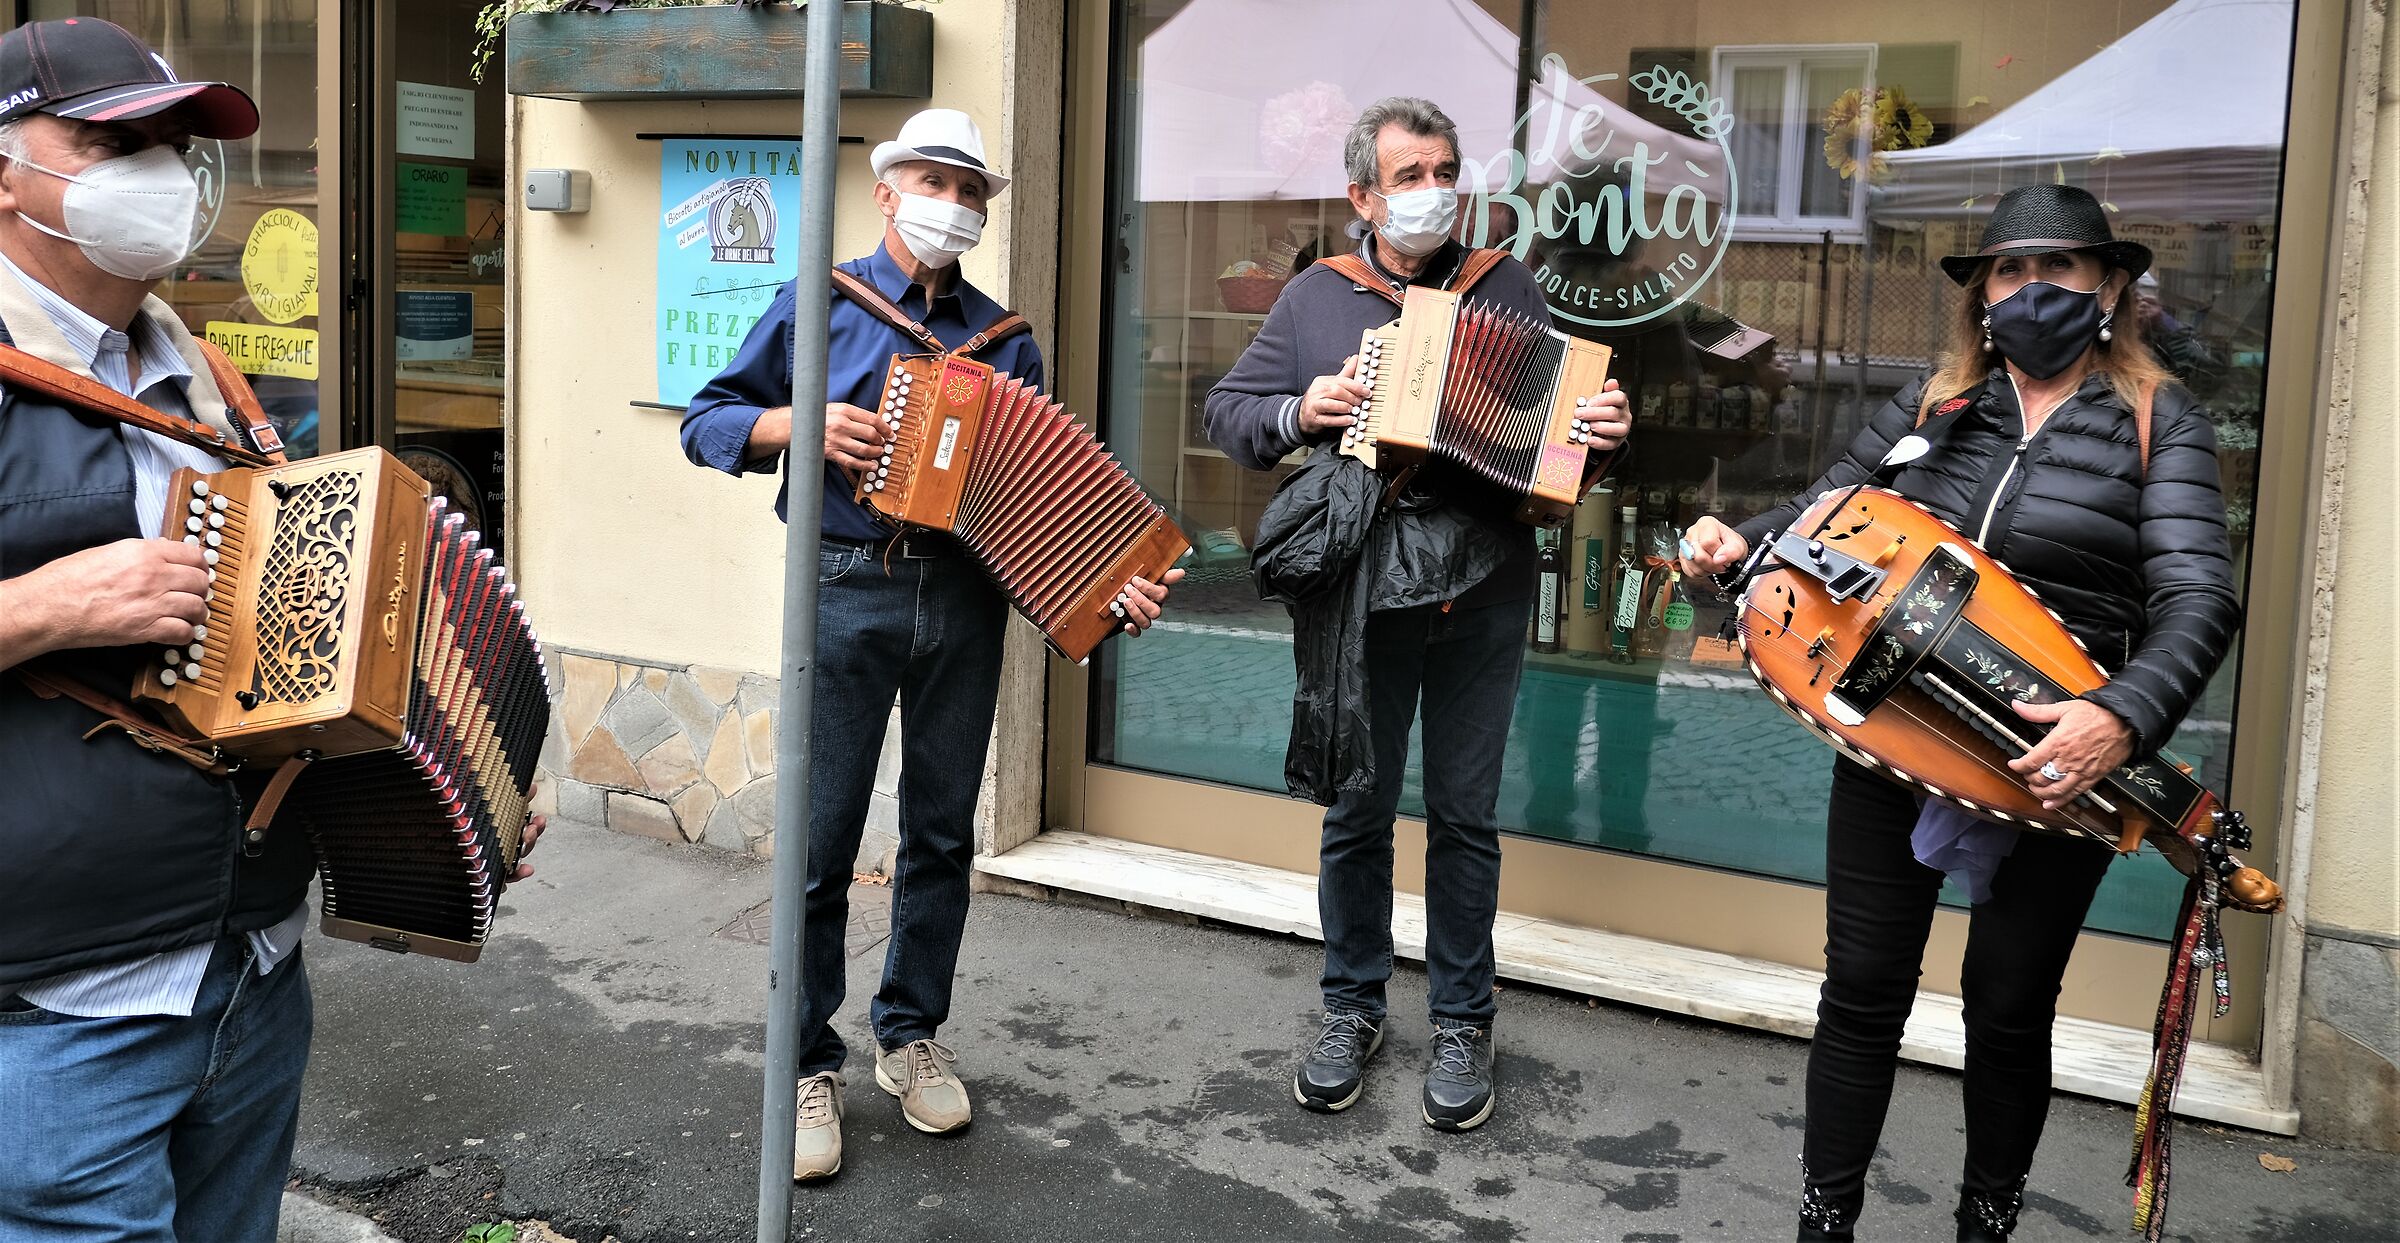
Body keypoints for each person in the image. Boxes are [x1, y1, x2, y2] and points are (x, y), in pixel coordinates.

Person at [0, 19, 544, 1238]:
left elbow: (273, 665)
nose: (157, 168)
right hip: (53, 1018)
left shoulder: (210, 379)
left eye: (174, 142)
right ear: (5, 169)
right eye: (107, 139)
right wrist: (46, 607)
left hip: (250, 978)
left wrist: (456, 767)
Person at [1678, 184, 2239, 1242]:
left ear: (2109, 286)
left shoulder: (2162, 420)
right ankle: (1823, 1219)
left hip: (2054, 755)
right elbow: (1825, 517)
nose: (2032, 291)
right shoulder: (1934, 407)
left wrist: (2117, 718)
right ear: (1982, 293)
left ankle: (1985, 1223)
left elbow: (2199, 597)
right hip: (1898, 732)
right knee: (1863, 990)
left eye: (2058, 270)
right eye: (2010, 272)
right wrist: (1731, 541)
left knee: (2009, 1006)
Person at [681, 107, 1180, 1182]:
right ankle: (808, 1061)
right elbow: (707, 418)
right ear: (887, 188)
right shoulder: (823, 303)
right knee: (821, 841)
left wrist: (1113, 588)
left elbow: (1050, 498)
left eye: (971, 192)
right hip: (844, 586)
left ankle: (907, 1035)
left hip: (964, 600)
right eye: (936, 183)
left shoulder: (1006, 339)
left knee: (943, 832)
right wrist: (792, 426)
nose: (953, 205)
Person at [1204, 97, 1630, 1133]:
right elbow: (1229, 412)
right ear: (1363, 196)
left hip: (1482, 584)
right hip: (1368, 592)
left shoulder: (1507, 283)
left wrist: (1603, 431)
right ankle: (1351, 1005)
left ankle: (1461, 1018)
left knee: (1465, 816)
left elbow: (1555, 433)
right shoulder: (1317, 297)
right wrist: (1300, 409)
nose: (1434, 188)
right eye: (1410, 174)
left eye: (1445, 168)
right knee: (1357, 808)